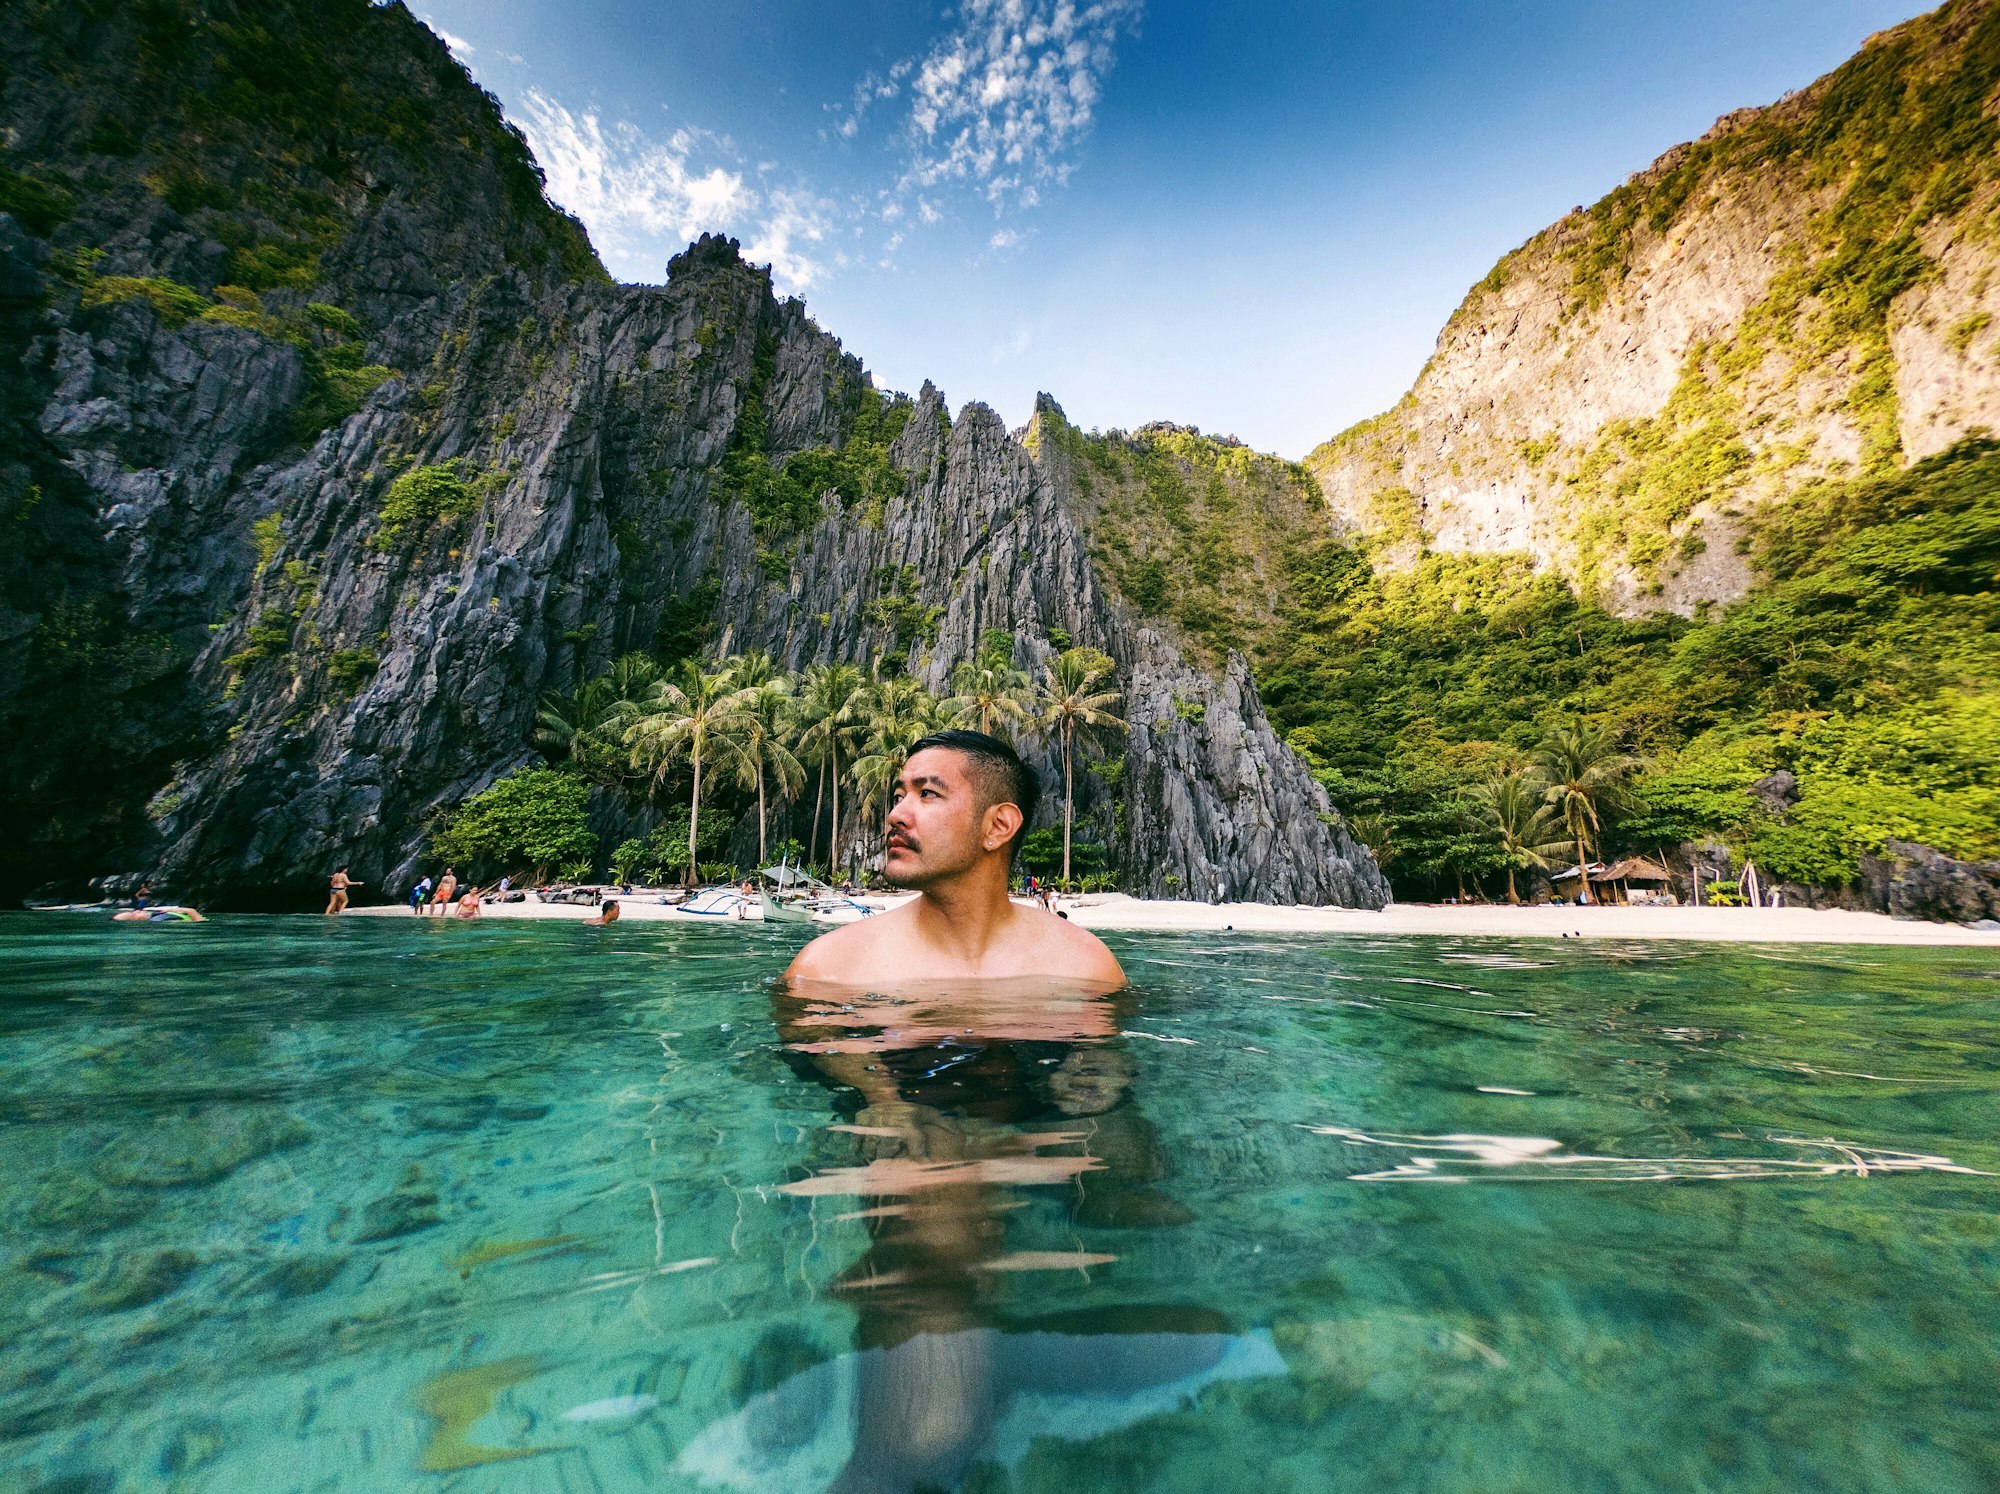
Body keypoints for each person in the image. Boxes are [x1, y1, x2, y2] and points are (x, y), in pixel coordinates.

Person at [785, 729, 1122, 987]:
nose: (895, 814)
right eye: (899, 795)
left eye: (927, 793)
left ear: (998, 826)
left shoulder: (1086, 969)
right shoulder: (828, 970)